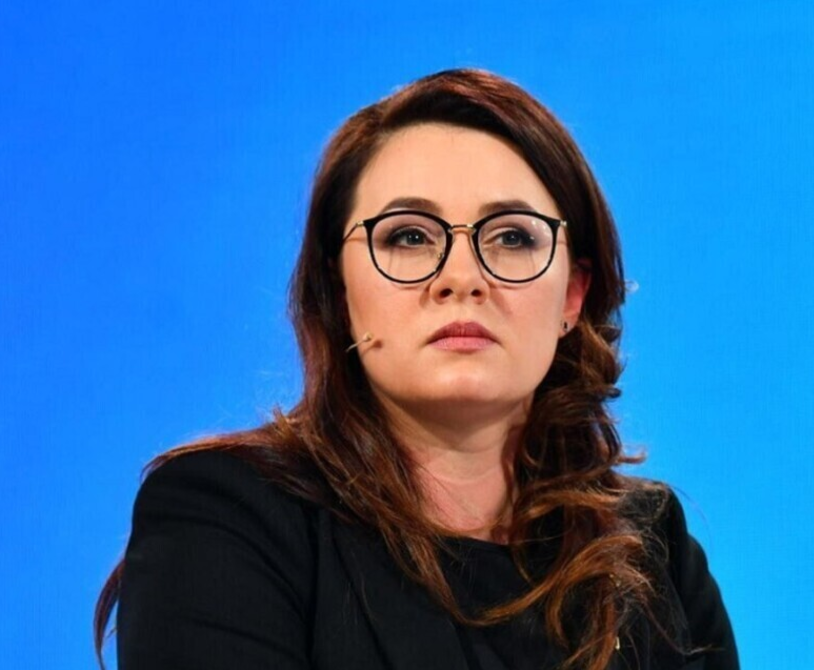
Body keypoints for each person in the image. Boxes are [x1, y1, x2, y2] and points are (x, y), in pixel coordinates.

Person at [94, 68, 737, 670]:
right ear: (339, 290)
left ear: (573, 295)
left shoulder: (650, 548)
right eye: (408, 236)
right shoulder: (230, 518)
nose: (462, 278)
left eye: (513, 237)